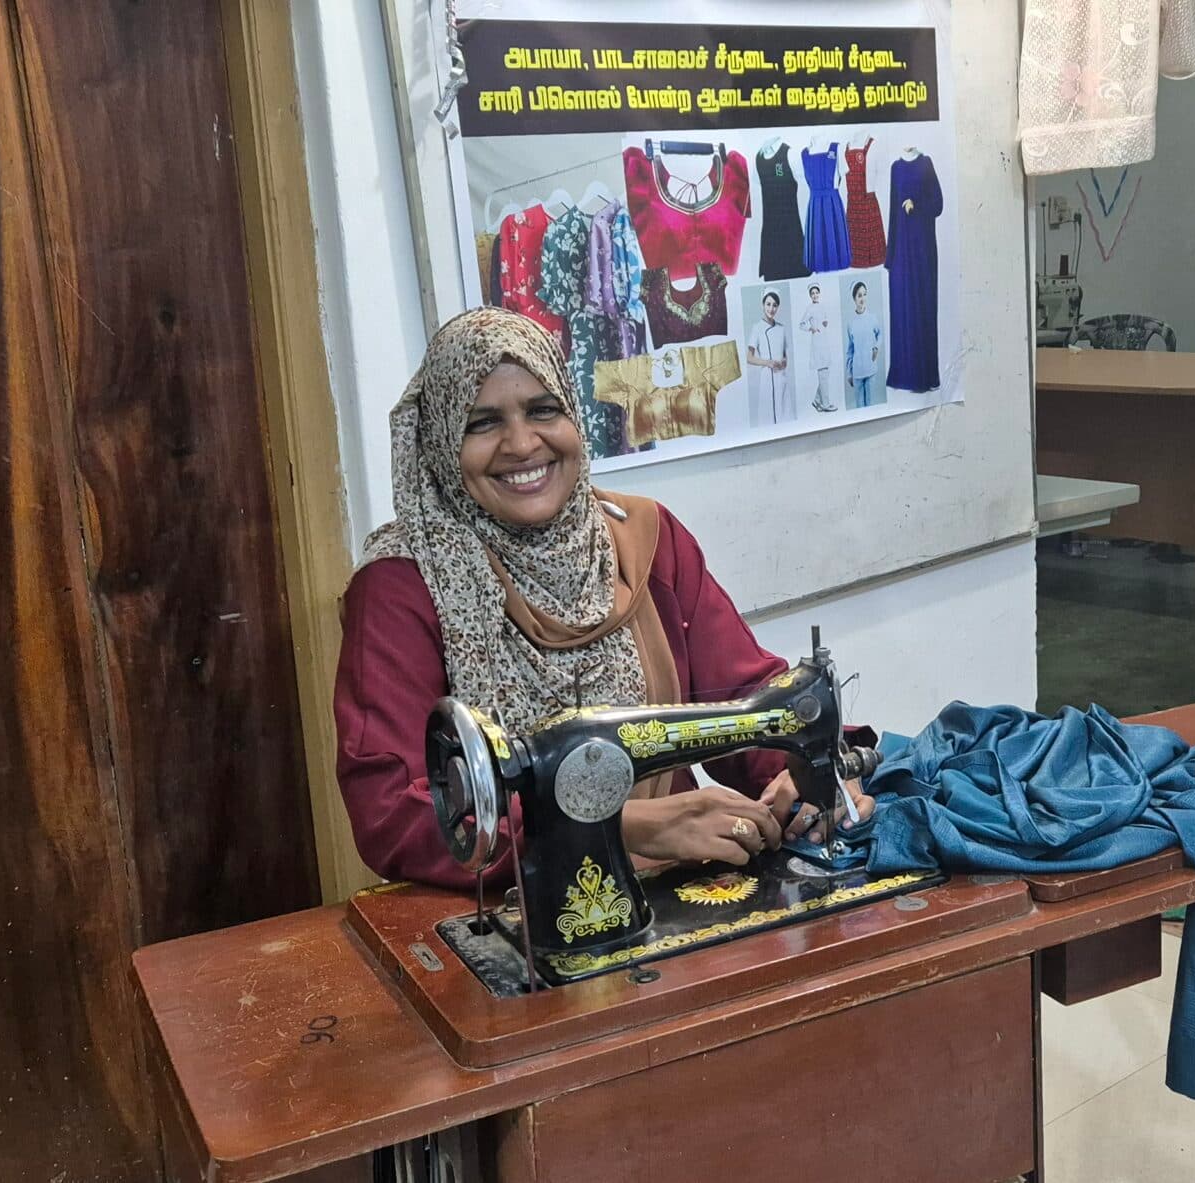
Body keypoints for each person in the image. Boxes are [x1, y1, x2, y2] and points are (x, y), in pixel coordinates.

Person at [336, 308, 874, 888]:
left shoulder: (644, 539)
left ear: (573, 414)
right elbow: (392, 809)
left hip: (674, 874)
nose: (521, 443)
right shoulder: (403, 587)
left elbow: (746, 696)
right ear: (442, 442)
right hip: (516, 901)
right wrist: (616, 826)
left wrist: (801, 775)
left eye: (543, 410)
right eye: (481, 423)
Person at [744, 290, 793, 428]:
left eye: (775, 305)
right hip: (766, 378)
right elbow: (749, 357)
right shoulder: (757, 328)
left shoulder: (782, 328)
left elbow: (785, 357)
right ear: (763, 304)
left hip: (781, 378)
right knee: (768, 420)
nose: (771, 309)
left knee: (785, 417)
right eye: (768, 304)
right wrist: (768, 363)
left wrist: (783, 362)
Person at [845, 281, 884, 408]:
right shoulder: (851, 323)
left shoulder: (873, 318)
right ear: (854, 298)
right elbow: (850, 350)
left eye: (864, 294)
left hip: (870, 368)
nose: (863, 298)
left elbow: (880, 335)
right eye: (859, 295)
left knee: (870, 406)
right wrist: (849, 373)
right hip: (857, 372)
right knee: (860, 408)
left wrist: (876, 347)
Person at [800, 283, 838, 412]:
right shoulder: (809, 308)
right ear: (810, 295)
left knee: (825, 373)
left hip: (825, 340)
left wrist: (825, 322)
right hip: (817, 342)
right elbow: (801, 324)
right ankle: (825, 404)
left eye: (817, 292)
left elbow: (824, 318)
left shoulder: (822, 306)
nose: (815, 295)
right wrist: (811, 328)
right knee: (823, 373)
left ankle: (817, 400)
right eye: (812, 293)